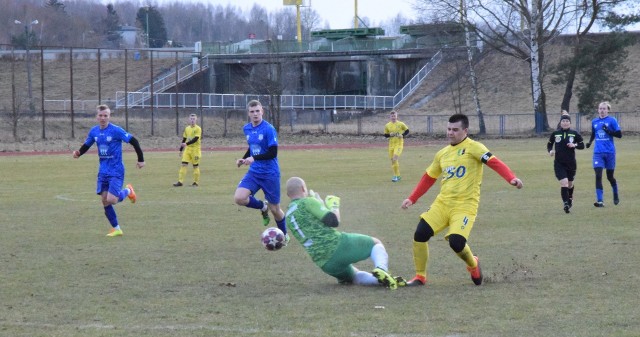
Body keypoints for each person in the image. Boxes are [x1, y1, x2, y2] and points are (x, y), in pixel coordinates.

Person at [400, 113, 523, 286]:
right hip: (442, 204)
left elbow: (494, 162)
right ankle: (420, 277)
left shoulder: (474, 147)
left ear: (465, 130)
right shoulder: (442, 154)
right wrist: (412, 198)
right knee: (420, 234)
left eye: (455, 130)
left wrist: (511, 178)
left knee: (456, 242)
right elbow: (429, 177)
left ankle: (473, 264)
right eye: (449, 129)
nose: (451, 133)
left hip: (465, 206)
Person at [285, 177, 404, 289]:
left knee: (354, 276)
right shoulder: (307, 202)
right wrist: (334, 205)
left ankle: (382, 280)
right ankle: (382, 269)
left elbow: (311, 226)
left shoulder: (288, 216)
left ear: (288, 194)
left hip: (324, 263)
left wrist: (320, 205)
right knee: (376, 243)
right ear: (303, 188)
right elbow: (334, 221)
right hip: (336, 246)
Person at [72, 104, 145, 237]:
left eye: (105, 115)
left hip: (116, 170)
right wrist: (78, 153)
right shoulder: (94, 131)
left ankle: (128, 191)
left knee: (112, 199)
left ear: (109, 117)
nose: (103, 118)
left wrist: (141, 159)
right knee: (105, 200)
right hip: (103, 171)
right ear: (96, 117)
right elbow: (86, 145)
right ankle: (117, 229)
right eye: (100, 115)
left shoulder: (116, 130)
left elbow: (134, 141)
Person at [234, 100, 288, 239]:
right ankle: (262, 207)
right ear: (248, 114)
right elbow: (252, 147)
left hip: (270, 174)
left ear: (262, 111)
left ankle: (284, 236)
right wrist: (244, 158)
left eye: (257, 111)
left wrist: (254, 158)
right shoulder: (247, 128)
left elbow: (273, 153)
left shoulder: (269, 129)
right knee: (239, 198)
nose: (255, 114)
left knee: (275, 209)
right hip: (254, 173)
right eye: (252, 112)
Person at [585, 101, 622, 207]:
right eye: (600, 108)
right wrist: (589, 142)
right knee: (598, 175)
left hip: (610, 152)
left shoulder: (612, 120)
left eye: (604, 109)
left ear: (608, 110)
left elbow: (619, 135)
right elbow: (593, 133)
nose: (602, 110)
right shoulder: (594, 121)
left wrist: (609, 131)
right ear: (598, 110)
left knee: (610, 177)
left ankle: (615, 194)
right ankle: (600, 201)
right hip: (598, 152)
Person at [547, 114, 585, 213]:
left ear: (570, 123)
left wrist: (574, 145)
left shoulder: (574, 133)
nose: (565, 122)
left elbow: (582, 145)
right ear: (560, 123)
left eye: (567, 121)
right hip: (559, 163)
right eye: (563, 121)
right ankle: (566, 204)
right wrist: (550, 151)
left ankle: (570, 197)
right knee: (564, 183)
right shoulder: (555, 133)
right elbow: (550, 144)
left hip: (571, 163)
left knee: (570, 184)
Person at [173, 113, 202, 187]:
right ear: (189, 120)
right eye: (191, 119)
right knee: (183, 164)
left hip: (195, 150)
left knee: (195, 166)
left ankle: (195, 182)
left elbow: (195, 139)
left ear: (196, 120)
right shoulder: (187, 128)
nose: (192, 120)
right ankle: (180, 182)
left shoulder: (198, 128)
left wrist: (186, 144)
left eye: (194, 119)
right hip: (188, 149)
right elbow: (184, 139)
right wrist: (181, 149)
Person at [383, 110, 409, 182]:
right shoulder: (387, 125)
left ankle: (397, 176)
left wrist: (402, 135)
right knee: (393, 161)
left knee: (394, 158)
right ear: (390, 117)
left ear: (396, 116)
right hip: (391, 145)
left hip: (399, 144)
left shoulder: (401, 124)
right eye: (392, 116)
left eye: (394, 116)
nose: (393, 117)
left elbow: (407, 130)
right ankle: (397, 175)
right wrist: (389, 135)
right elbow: (385, 135)